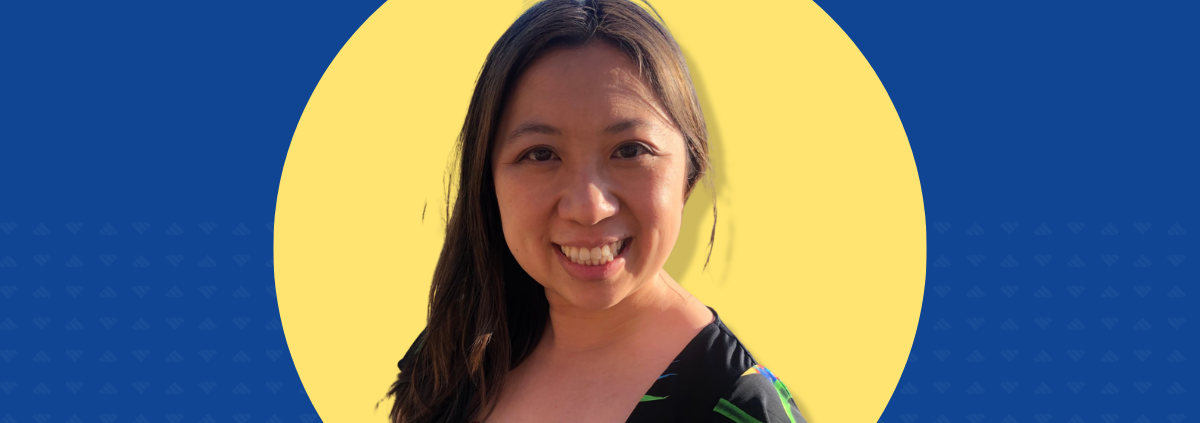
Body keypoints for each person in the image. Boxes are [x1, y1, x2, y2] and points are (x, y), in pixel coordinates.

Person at [386, 0, 806, 422]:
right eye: (541, 154)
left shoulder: (742, 408)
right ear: (487, 178)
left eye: (630, 150)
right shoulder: (453, 352)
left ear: (690, 171)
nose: (589, 208)